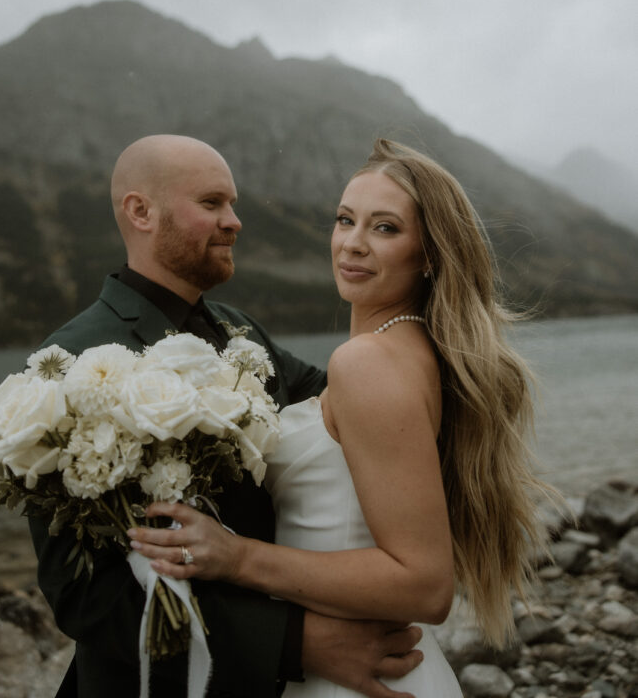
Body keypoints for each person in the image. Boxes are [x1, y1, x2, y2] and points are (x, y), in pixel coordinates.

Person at [129, 139, 552, 698]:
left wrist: (236, 558)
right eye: (345, 220)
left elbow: (426, 586)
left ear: (429, 254)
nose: (352, 243)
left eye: (385, 228)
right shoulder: (416, 351)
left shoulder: (367, 362)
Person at [28, 134, 424, 698]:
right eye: (212, 203)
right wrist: (296, 643)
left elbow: (353, 400)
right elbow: (85, 595)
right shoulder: (71, 364)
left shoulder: (240, 331)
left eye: (233, 204)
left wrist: (420, 336)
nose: (235, 221)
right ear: (141, 212)